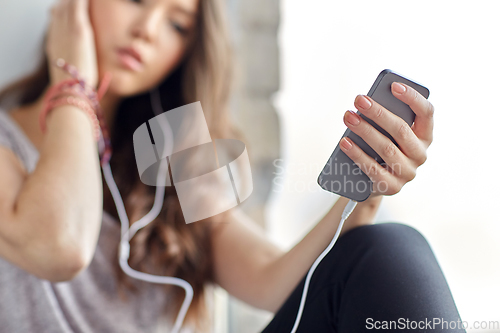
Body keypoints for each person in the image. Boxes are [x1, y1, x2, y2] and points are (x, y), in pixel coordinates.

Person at [0, 0, 465, 332]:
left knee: (388, 248)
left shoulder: (178, 145)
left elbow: (270, 279)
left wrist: (365, 190)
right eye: (135, 0)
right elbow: (59, 246)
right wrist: (74, 83)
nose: (147, 29)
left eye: (178, 25)